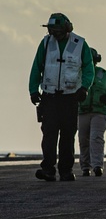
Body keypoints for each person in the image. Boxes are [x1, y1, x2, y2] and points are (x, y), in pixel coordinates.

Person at [29, 13, 95, 181]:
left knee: (67, 134)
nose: (55, 35)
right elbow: (37, 67)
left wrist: (84, 88)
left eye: (58, 31)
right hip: (49, 97)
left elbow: (89, 69)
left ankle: (66, 170)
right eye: (52, 31)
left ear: (67, 28)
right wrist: (33, 90)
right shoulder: (45, 44)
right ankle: (48, 169)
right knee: (49, 134)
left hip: (70, 97)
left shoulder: (80, 44)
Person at [77, 48, 106, 177]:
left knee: (96, 138)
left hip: (100, 112)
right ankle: (85, 167)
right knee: (83, 140)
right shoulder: (78, 74)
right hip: (82, 111)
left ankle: (97, 166)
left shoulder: (104, 74)